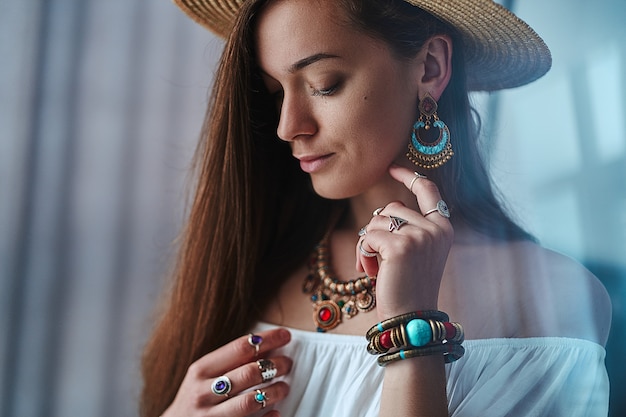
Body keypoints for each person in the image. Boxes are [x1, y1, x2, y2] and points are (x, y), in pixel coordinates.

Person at [140, 0, 612, 416]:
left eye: (324, 84)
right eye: (276, 92)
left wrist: (413, 332)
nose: (288, 126)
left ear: (429, 66)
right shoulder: (254, 262)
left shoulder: (556, 300)